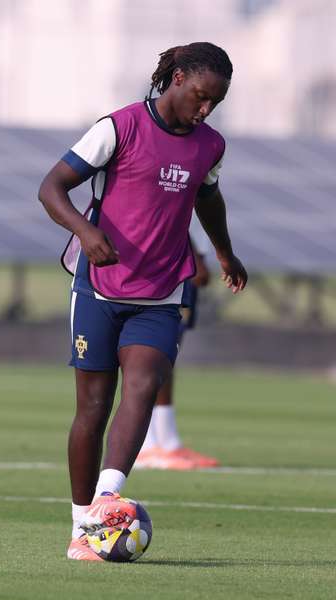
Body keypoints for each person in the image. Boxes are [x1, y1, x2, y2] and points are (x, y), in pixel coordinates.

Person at [37, 42, 247, 561]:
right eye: (201, 96)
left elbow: (208, 199)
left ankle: (108, 499)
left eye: (214, 103)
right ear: (176, 78)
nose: (205, 110)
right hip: (98, 289)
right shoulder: (120, 127)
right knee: (92, 407)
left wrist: (224, 253)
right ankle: (80, 524)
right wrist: (87, 234)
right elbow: (51, 188)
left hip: (160, 292)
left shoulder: (209, 146)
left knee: (145, 383)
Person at [134, 232, 220, 470]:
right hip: (170, 256)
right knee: (149, 354)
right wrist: (195, 259)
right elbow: (174, 210)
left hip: (181, 257)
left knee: (168, 354)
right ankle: (145, 444)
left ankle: (167, 441)